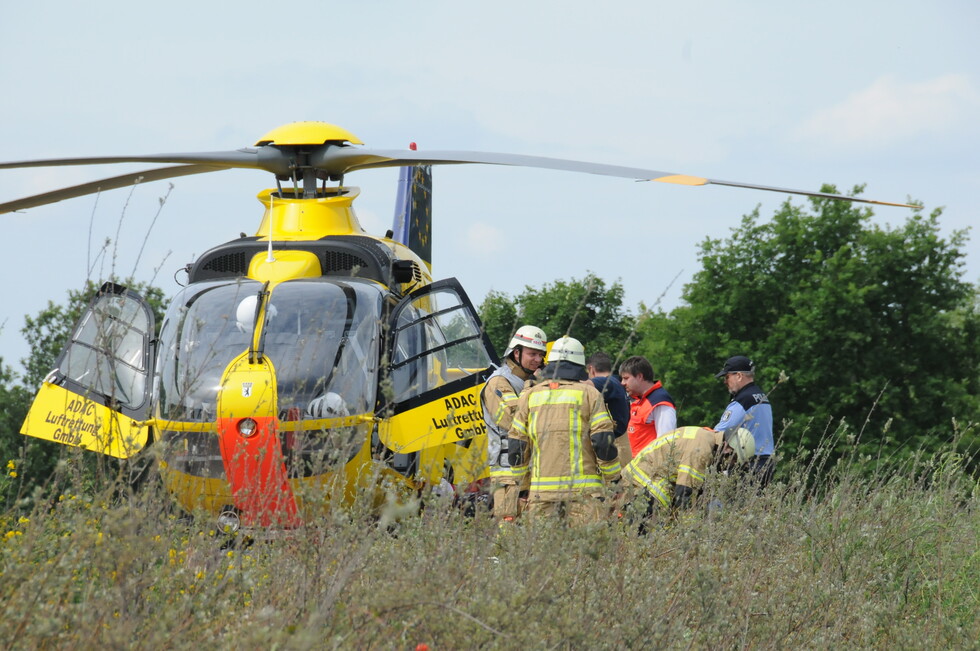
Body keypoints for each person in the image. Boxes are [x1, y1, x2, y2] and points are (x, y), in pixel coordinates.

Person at [508, 336, 621, 526]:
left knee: (543, 553)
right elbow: (603, 443)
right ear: (579, 365)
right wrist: (614, 481)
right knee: (585, 553)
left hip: (540, 496)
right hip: (584, 496)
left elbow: (516, 447)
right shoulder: (589, 395)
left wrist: (524, 486)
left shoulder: (529, 397)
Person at [620, 425, 755, 525]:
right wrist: (691, 530)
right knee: (648, 540)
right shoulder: (702, 449)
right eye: (733, 460)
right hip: (642, 488)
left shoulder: (707, 439)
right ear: (727, 448)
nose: (729, 466)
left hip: (640, 485)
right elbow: (684, 493)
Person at [480, 325, 548, 521]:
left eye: (541, 355)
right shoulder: (499, 383)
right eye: (532, 354)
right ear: (516, 353)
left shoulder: (530, 381)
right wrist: (534, 387)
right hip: (508, 469)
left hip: (531, 466)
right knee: (509, 522)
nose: (538, 360)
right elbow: (514, 422)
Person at [714, 355, 775, 488]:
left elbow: (718, 433)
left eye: (727, 377)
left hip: (749, 465)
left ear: (739, 376)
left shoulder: (743, 400)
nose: (725, 381)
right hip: (767, 462)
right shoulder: (761, 396)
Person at [619, 356, 676, 456]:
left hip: (648, 468)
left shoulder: (659, 401)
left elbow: (666, 442)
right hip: (634, 466)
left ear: (640, 376)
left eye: (626, 378)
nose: (622, 383)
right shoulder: (638, 399)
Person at [586, 352, 632, 468]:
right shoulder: (616, 383)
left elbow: (583, 386)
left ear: (591, 369)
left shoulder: (606, 382)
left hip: (615, 449)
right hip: (620, 446)